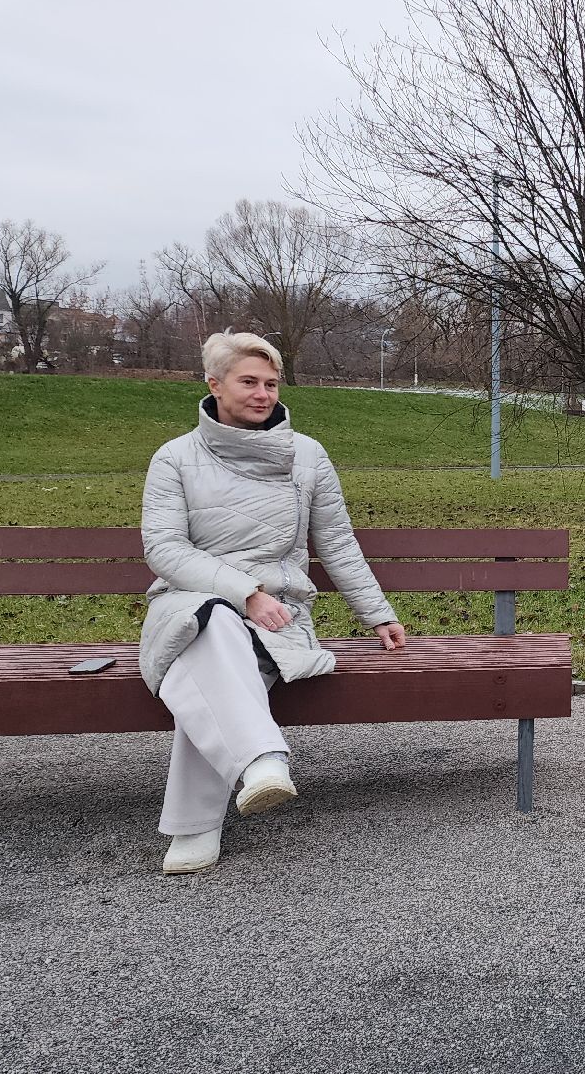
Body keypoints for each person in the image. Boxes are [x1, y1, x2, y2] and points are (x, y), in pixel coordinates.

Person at [139, 332, 407, 875]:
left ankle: (196, 826)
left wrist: (377, 613)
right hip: (188, 602)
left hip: (279, 614)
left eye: (271, 383)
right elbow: (164, 548)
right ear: (214, 385)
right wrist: (244, 593)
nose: (263, 393)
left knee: (209, 664)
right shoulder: (174, 458)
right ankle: (262, 759)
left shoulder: (307, 456)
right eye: (248, 382)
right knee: (211, 625)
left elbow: (336, 542)